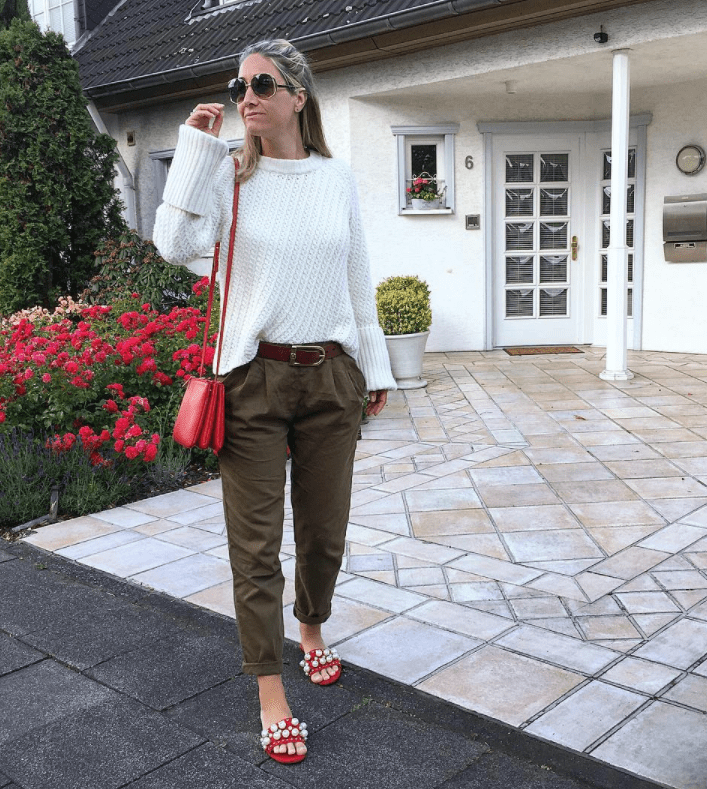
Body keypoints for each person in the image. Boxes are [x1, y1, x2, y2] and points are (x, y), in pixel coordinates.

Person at [153, 38, 396, 764]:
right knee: (254, 547)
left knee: (324, 532)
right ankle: (270, 690)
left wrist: (374, 368)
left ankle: (311, 625)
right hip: (251, 379)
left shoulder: (335, 177)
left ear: (298, 96)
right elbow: (173, 244)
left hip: (330, 376)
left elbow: (356, 276)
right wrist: (194, 152)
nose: (246, 97)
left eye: (262, 84)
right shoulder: (229, 176)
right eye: (239, 86)